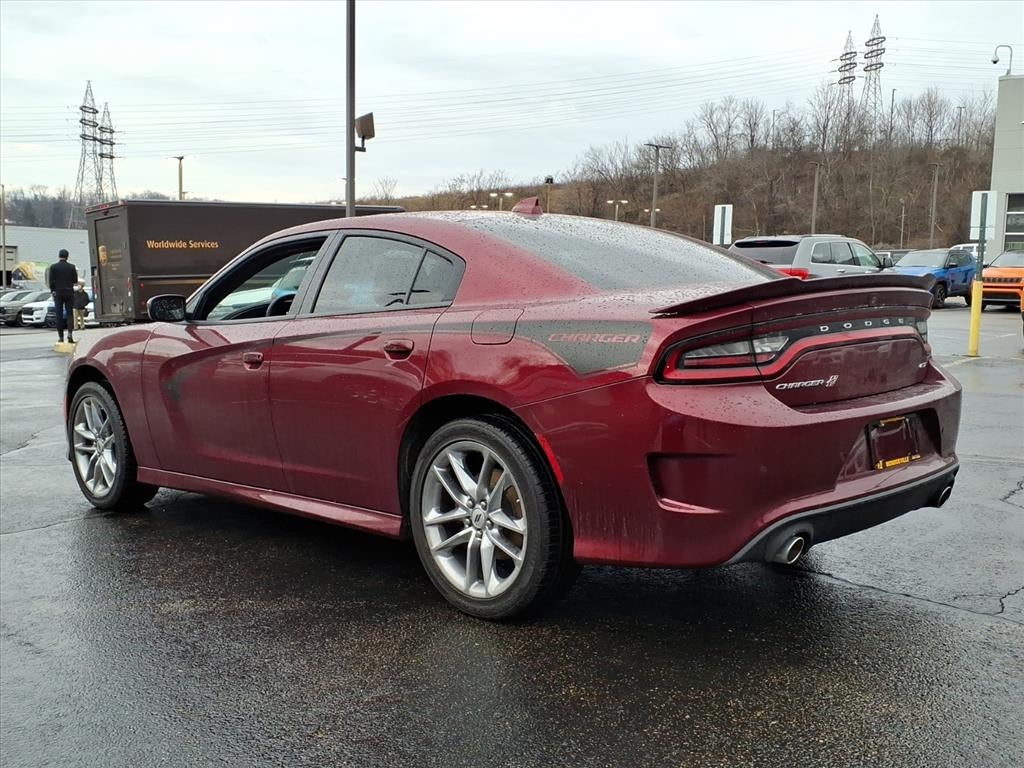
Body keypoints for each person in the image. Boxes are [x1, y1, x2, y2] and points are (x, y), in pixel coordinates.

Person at [48, 248, 78, 343]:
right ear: (67, 257)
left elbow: (51, 281)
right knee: (69, 314)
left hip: (58, 292)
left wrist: (53, 290)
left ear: (59, 256)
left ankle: (61, 337)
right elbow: (75, 281)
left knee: (59, 315)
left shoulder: (53, 267)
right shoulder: (72, 267)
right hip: (69, 292)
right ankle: (70, 334)